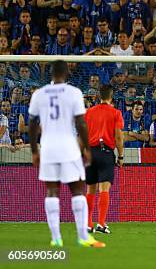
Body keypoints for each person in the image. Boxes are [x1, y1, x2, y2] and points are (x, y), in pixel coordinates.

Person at [28, 60, 105, 247]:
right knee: (78, 190)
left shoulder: (39, 94)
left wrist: (34, 151)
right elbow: (81, 123)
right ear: (67, 73)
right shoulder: (74, 93)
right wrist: (86, 148)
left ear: (51, 74)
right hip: (68, 146)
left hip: (47, 147)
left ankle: (56, 238)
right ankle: (83, 237)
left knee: (52, 191)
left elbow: (32, 124)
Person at [84, 85, 124, 234]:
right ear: (111, 97)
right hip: (106, 152)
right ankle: (101, 223)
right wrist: (120, 156)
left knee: (90, 189)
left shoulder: (88, 113)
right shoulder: (115, 113)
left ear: (98, 96)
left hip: (90, 152)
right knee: (104, 189)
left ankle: (88, 224)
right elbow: (119, 136)